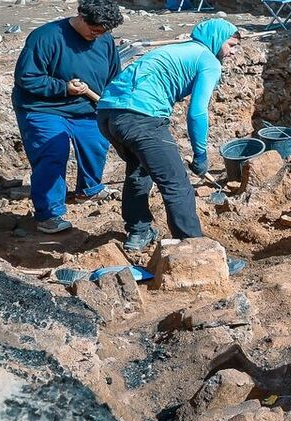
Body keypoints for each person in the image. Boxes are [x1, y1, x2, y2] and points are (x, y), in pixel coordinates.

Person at [96, 17, 238, 253]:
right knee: (176, 184)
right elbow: (197, 113)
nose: (233, 52)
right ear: (217, 40)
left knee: (139, 168)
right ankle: (196, 250)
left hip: (108, 114)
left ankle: (138, 231)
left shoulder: (177, 50)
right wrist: (200, 154)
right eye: (231, 45)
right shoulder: (209, 60)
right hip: (141, 118)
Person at [13, 0, 127, 234]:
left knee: (95, 143)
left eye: (102, 32)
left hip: (86, 108)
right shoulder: (46, 37)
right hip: (43, 108)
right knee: (53, 152)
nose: (97, 35)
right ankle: (49, 214)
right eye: (94, 30)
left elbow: (114, 75)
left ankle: (89, 189)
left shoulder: (105, 39)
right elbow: (26, 78)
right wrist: (64, 87)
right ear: (81, 17)